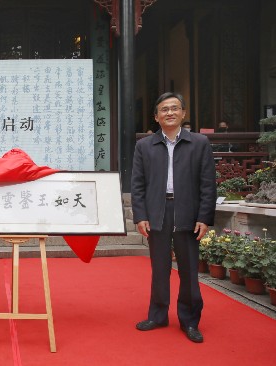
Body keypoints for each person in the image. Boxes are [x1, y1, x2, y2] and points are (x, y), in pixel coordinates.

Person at [131, 92, 217, 343]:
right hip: (158, 211)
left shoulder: (199, 143)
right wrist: (141, 215)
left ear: (183, 113)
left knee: (189, 270)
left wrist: (204, 216)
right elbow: (137, 185)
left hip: (188, 211)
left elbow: (208, 184)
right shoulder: (144, 146)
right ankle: (157, 315)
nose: (169, 113)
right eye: (164, 110)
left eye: (174, 108)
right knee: (159, 268)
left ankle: (190, 320)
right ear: (156, 117)